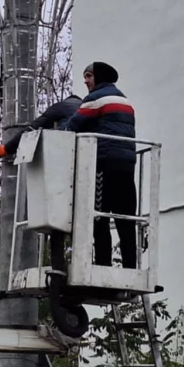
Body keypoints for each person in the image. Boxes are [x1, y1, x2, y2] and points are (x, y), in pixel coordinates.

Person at [62, 61, 139, 269]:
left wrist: (56, 130)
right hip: (127, 165)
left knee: (98, 217)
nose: (86, 81)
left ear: (99, 77)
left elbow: (72, 126)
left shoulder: (95, 98)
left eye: (88, 76)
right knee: (126, 219)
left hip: (104, 163)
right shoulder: (125, 100)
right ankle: (131, 266)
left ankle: (103, 263)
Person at [0, 93, 83, 160]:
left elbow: (33, 128)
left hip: (67, 153)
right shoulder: (87, 107)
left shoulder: (61, 106)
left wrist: (7, 148)